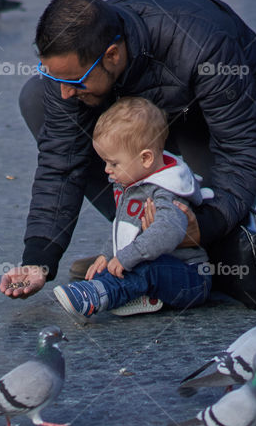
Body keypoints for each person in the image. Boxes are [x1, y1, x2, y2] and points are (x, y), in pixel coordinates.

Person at [0, 0, 256, 301]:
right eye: (55, 76)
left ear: (112, 55)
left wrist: (201, 225)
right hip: (146, 121)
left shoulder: (201, 44)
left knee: (216, 258)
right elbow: (61, 164)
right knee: (37, 99)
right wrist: (40, 259)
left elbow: (241, 152)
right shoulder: (74, 64)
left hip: (235, 122)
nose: (65, 92)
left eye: (76, 82)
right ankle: (139, 249)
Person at [53, 97, 211, 318]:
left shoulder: (165, 190)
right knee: (109, 269)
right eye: (106, 162)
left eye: (114, 163)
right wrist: (106, 255)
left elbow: (168, 232)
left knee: (146, 268)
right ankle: (119, 292)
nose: (107, 170)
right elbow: (123, 226)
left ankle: (96, 296)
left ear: (146, 158)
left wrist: (127, 257)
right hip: (159, 271)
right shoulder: (133, 184)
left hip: (189, 279)